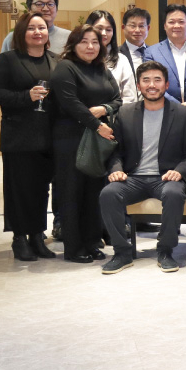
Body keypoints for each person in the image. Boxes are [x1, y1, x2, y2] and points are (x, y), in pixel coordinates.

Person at [99, 61, 186, 274]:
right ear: (139, 85)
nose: (152, 85)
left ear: (167, 84)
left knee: (173, 193)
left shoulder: (183, 114)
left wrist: (180, 170)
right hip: (133, 178)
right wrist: (116, 168)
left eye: (157, 80)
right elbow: (115, 150)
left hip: (165, 177)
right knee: (108, 193)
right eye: (146, 80)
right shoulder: (124, 113)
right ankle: (122, 252)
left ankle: (165, 251)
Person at [0, 13, 57, 261]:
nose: (38, 32)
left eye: (42, 27)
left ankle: (37, 235)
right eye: (31, 28)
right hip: (19, 135)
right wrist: (25, 97)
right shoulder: (8, 60)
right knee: (19, 189)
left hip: (48, 136)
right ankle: (19, 238)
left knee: (41, 190)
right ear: (21, 33)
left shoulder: (55, 60)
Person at [50, 25, 122, 263]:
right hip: (70, 139)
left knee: (94, 192)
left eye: (95, 42)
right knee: (72, 193)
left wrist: (105, 109)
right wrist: (97, 124)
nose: (90, 46)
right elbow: (70, 102)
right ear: (73, 44)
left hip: (97, 141)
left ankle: (92, 241)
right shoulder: (65, 68)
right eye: (84, 42)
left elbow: (117, 98)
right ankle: (73, 247)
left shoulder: (102, 68)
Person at [145, 3, 186, 106]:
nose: (176, 26)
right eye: (171, 22)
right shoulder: (152, 52)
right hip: (165, 110)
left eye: (181, 21)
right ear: (165, 26)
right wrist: (177, 106)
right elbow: (150, 83)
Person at [87, 10, 137, 104]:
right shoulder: (75, 58)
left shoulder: (121, 60)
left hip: (114, 116)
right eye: (99, 28)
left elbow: (129, 97)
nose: (104, 33)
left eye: (108, 30)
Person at [0, 0, 70, 55]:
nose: (45, 9)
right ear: (29, 9)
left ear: (56, 9)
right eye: (39, 4)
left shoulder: (69, 37)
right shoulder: (13, 37)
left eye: (50, 4)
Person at [119, 7, 151, 74]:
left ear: (148, 28)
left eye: (141, 26)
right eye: (132, 26)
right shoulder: (115, 54)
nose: (137, 30)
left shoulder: (154, 53)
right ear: (123, 28)